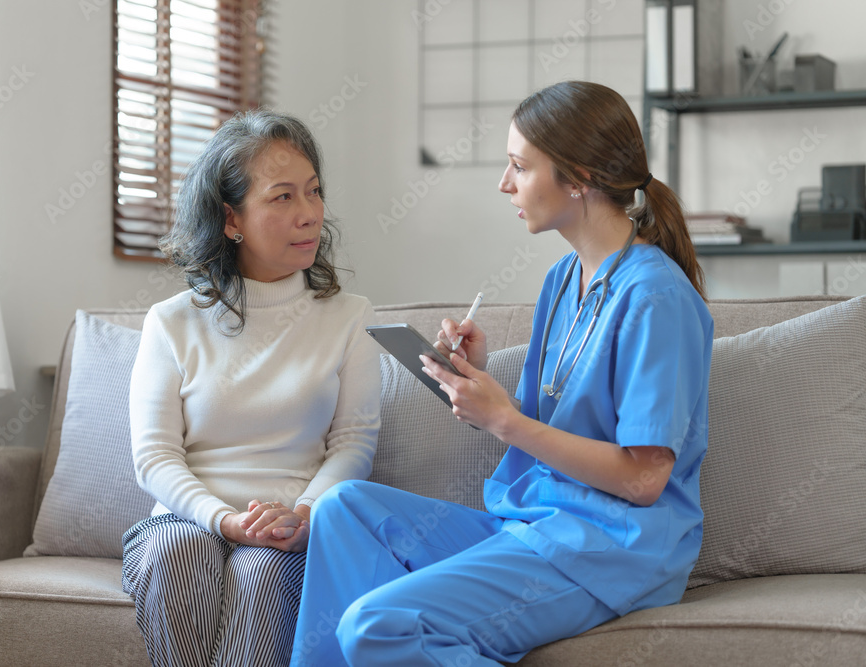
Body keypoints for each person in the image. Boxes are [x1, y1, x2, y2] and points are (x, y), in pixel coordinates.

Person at [290, 81, 714, 666]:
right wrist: (476, 379)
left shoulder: (655, 297)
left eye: (519, 165)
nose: (504, 183)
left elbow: (643, 481)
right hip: (535, 523)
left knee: (377, 625)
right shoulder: (564, 279)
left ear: (579, 176)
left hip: (611, 549)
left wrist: (505, 420)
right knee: (342, 509)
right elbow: (558, 423)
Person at [121, 109, 381, 667]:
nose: (310, 214)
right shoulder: (171, 322)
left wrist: (306, 513)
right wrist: (223, 518)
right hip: (185, 520)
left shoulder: (350, 318)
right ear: (231, 219)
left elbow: (354, 443)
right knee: (178, 550)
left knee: (265, 573)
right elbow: (153, 455)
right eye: (283, 197)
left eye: (313, 192)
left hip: (291, 523)